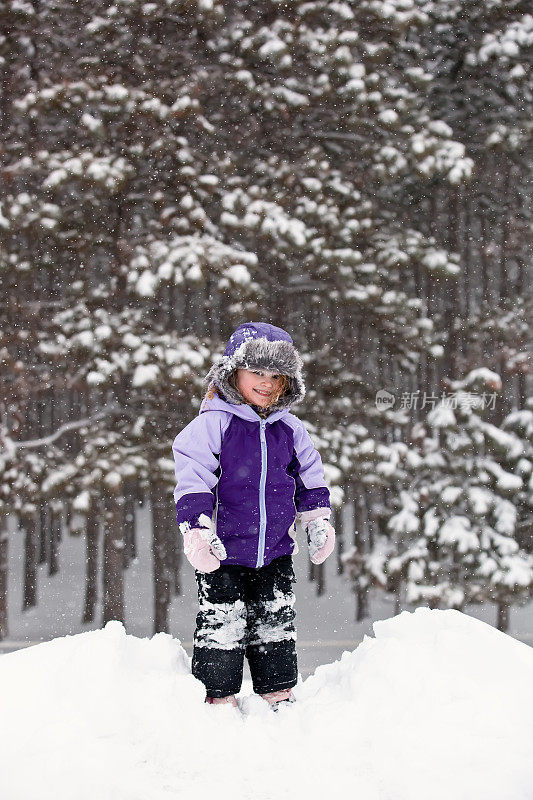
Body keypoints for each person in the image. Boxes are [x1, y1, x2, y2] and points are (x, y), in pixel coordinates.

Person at [172, 322, 335, 710]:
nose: (266, 382)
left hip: (275, 551)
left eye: (276, 375)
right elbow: (193, 478)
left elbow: (309, 476)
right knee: (221, 624)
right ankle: (218, 698)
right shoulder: (214, 424)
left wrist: (316, 520)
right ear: (234, 372)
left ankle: (276, 694)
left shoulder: (291, 430)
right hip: (222, 552)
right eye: (256, 372)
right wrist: (196, 529)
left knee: (275, 621)